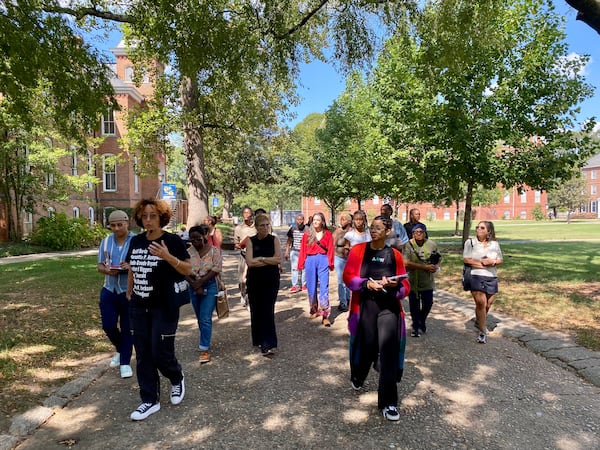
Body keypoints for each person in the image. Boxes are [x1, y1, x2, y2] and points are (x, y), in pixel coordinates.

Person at [126, 199, 193, 421]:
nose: (148, 220)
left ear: (161, 218)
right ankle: (149, 400)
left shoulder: (172, 241)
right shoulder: (135, 241)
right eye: (144, 216)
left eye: (152, 215)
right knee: (143, 354)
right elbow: (133, 268)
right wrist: (129, 291)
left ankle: (176, 377)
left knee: (160, 351)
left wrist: (167, 257)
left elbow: (188, 268)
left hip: (164, 306)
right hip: (138, 305)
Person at [343, 215, 410, 422]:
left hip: (388, 308)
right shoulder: (358, 251)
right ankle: (359, 375)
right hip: (365, 308)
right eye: (372, 227)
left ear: (388, 231)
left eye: (378, 228)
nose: (373, 231)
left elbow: (405, 285)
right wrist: (366, 284)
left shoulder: (395, 255)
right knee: (367, 347)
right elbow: (348, 277)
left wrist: (394, 285)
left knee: (388, 352)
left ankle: (388, 402)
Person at [97, 210, 135, 379]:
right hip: (109, 290)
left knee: (128, 328)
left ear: (127, 223)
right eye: (113, 225)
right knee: (108, 325)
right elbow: (99, 266)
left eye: (120, 224)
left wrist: (130, 266)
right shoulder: (105, 242)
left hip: (128, 291)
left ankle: (125, 362)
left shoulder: (136, 241)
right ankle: (120, 349)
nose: (117, 228)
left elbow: (143, 264)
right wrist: (106, 270)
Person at [245, 214, 282, 356]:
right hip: (254, 280)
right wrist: (268, 260)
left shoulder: (274, 240)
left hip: (271, 279)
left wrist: (261, 259)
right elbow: (250, 262)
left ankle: (268, 343)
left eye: (267, 225)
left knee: (267, 310)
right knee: (256, 310)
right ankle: (258, 339)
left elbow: (278, 259)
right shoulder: (251, 241)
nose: (265, 228)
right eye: (262, 225)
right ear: (256, 227)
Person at [186, 224, 222, 364]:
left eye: (198, 239)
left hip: (210, 284)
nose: (195, 242)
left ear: (204, 237)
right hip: (193, 285)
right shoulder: (188, 253)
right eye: (192, 240)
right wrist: (194, 284)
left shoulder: (214, 251)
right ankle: (205, 338)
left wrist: (200, 283)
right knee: (200, 318)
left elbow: (216, 269)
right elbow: (183, 270)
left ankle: (204, 349)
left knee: (205, 317)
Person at [463, 220, 503, 344]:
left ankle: (479, 321)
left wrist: (493, 262)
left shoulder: (494, 244)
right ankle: (482, 332)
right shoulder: (470, 242)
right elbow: (466, 259)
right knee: (481, 303)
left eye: (482, 228)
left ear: (488, 231)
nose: (478, 229)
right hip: (476, 275)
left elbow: (500, 259)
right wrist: (481, 265)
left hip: (492, 276)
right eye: (477, 227)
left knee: (488, 304)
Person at [402, 223, 441, 337]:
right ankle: (416, 327)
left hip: (427, 281)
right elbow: (406, 262)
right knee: (414, 305)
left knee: (428, 303)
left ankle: (421, 320)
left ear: (425, 233)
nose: (418, 234)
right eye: (416, 232)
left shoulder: (431, 244)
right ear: (413, 234)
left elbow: (438, 257)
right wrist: (424, 267)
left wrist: (435, 266)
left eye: (421, 232)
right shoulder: (408, 245)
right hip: (413, 280)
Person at [297, 212, 334, 327]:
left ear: (322, 221)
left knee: (324, 287)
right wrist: (301, 263)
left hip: (323, 260)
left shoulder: (327, 234)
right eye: (314, 220)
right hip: (310, 260)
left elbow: (331, 249)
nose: (316, 222)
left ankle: (325, 315)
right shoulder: (307, 234)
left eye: (318, 220)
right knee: (311, 287)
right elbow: (303, 249)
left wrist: (330, 263)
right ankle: (313, 309)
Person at [234, 206, 257, 307]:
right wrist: (239, 245)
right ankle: (242, 294)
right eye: (244, 213)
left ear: (252, 214)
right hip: (243, 255)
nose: (246, 215)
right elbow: (235, 243)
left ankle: (251, 297)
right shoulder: (239, 228)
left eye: (248, 213)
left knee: (253, 278)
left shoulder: (256, 227)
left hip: (255, 256)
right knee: (241, 279)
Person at [332, 212, 353, 312]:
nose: (342, 221)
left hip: (350, 258)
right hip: (338, 257)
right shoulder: (338, 231)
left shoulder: (353, 232)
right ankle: (343, 302)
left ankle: (348, 298)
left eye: (344, 219)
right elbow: (331, 243)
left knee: (348, 279)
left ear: (349, 221)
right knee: (341, 280)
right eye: (341, 219)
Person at [285, 213, 307, 293]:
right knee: (294, 268)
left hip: (304, 252)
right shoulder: (293, 229)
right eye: (298, 219)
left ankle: (304, 284)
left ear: (303, 220)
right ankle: (295, 285)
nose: (299, 221)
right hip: (295, 251)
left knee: (304, 269)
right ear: (295, 220)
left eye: (301, 219)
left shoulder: (307, 229)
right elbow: (289, 241)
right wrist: (287, 251)